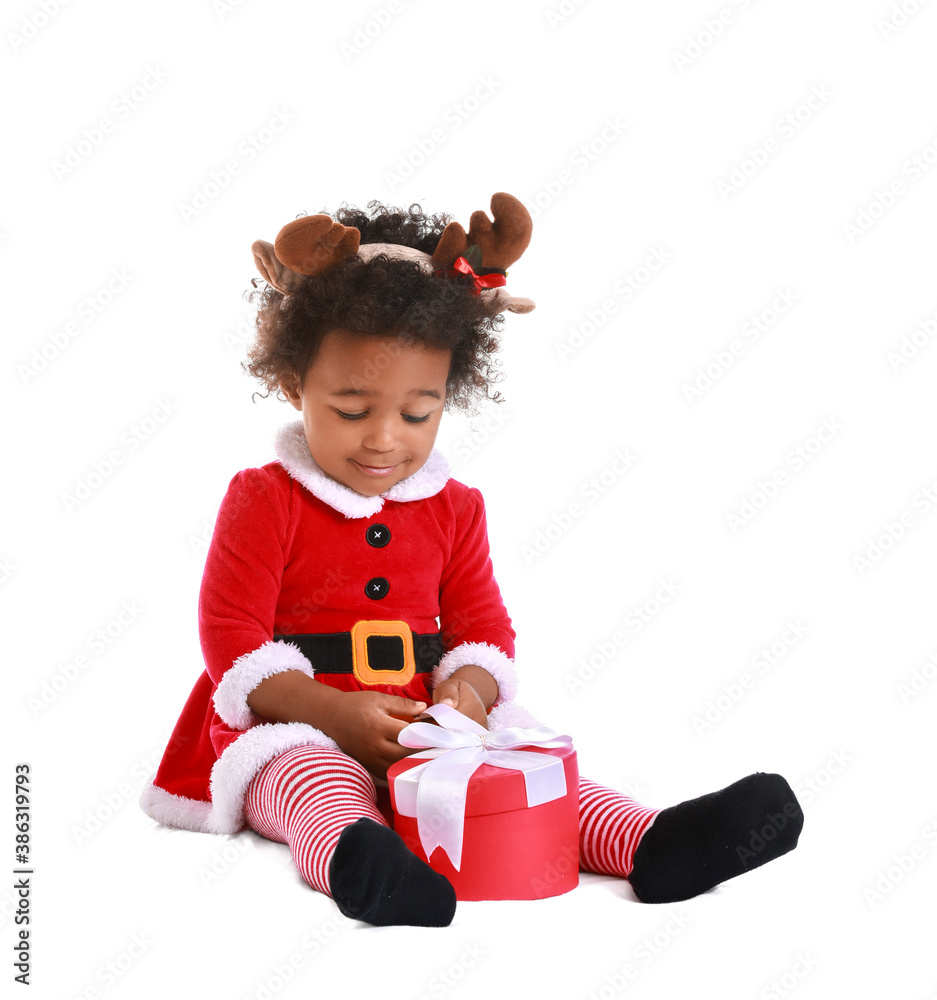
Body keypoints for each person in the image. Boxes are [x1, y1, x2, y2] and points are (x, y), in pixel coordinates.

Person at [140, 194, 803, 927]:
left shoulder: (455, 506)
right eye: (352, 410)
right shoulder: (265, 498)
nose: (384, 439)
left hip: (427, 720)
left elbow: (482, 626)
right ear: (296, 386)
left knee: (519, 773)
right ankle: (356, 861)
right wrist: (332, 711)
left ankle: (653, 841)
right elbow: (231, 637)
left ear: (446, 394)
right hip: (289, 724)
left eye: (417, 413)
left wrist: (469, 699)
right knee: (314, 778)